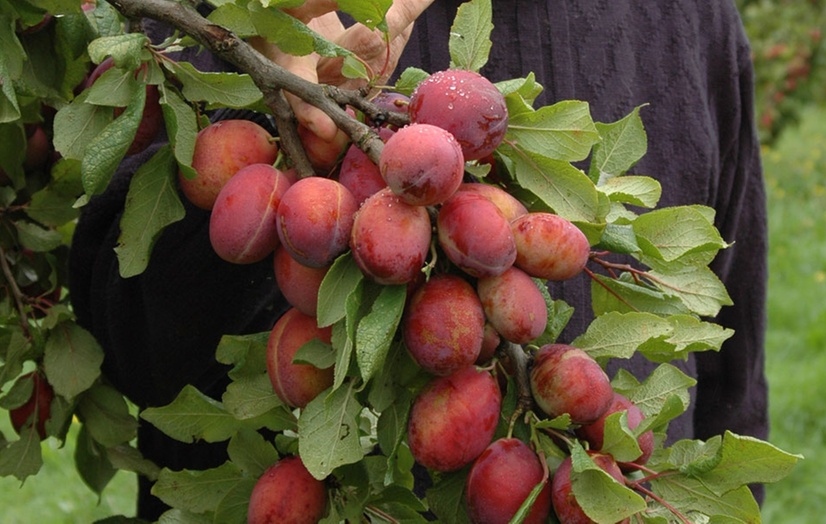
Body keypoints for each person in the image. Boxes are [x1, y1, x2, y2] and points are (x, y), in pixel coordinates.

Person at [68, 0, 768, 519]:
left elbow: (730, 374)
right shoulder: (254, 11)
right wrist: (267, 115)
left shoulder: (690, 19)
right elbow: (130, 341)